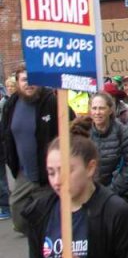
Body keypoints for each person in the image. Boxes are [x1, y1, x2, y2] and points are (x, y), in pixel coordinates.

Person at [22, 117, 128, 258]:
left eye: (66, 171)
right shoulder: (40, 213)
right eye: (51, 172)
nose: (57, 181)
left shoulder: (116, 213)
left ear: (90, 168)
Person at [1, 67, 74, 234]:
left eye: (33, 79)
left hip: (49, 172)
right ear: (17, 83)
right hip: (23, 173)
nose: (29, 84)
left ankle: (48, 240)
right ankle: (38, 234)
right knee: (18, 215)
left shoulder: (51, 101)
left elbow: (71, 124)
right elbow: (6, 134)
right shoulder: (11, 105)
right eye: (24, 80)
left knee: (49, 216)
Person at [89, 92, 128, 218]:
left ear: (110, 110)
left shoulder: (124, 132)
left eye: (101, 108)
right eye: (94, 108)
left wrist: (111, 191)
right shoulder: (84, 132)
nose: (97, 112)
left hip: (119, 197)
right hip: (92, 197)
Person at [0, 76, 16, 221]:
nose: (10, 88)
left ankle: (5, 207)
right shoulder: (6, 102)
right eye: (8, 86)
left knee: (2, 179)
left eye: (12, 86)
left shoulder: (7, 103)